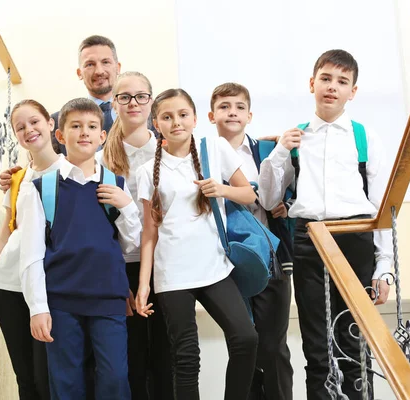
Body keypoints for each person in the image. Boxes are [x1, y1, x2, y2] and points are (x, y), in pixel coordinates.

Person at [258, 49, 393, 400]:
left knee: (354, 339)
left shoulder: (365, 137)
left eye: (342, 81)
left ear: (353, 91)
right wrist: (279, 153)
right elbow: (269, 200)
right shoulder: (297, 138)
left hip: (355, 237)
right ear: (312, 83)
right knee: (316, 344)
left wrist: (385, 266)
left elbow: (381, 207)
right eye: (326, 79)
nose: (332, 87)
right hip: (310, 239)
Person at [136, 88, 258, 400]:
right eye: (167, 117)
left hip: (215, 265)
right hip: (171, 274)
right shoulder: (146, 171)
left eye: (182, 114)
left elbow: (249, 195)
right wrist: (143, 285)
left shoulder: (215, 148)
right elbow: (149, 233)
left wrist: (221, 190)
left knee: (246, 338)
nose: (176, 121)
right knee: (186, 357)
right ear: (156, 123)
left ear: (194, 119)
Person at [18, 98, 142, 400]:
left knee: (114, 378)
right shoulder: (42, 188)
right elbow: (31, 253)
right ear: (60, 136)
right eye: (75, 126)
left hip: (108, 297)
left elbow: (130, 244)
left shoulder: (116, 185)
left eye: (91, 127)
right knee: (66, 382)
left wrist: (127, 207)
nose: (84, 132)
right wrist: (38, 308)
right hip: (61, 300)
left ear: (102, 136)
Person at [208, 82, 293, 400]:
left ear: (250, 114)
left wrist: (285, 205)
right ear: (211, 114)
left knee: (273, 347)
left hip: (270, 257)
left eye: (239, 107)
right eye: (224, 106)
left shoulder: (266, 151)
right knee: (244, 344)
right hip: (225, 262)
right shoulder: (202, 154)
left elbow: (288, 195)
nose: (232, 112)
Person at [0, 99, 63, 400]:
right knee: (25, 378)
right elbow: (5, 235)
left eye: (35, 122)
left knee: (49, 378)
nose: (29, 130)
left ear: (50, 123)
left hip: (50, 285)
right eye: (20, 127)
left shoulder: (71, 172)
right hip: (9, 286)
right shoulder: (16, 179)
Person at [97, 71, 173, 399]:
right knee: (133, 359)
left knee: (169, 357)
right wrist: (116, 278)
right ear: (113, 104)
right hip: (124, 267)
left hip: (168, 267)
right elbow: (100, 226)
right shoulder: (101, 160)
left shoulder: (171, 153)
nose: (133, 103)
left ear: (151, 103)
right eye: (124, 97)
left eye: (141, 96)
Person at [51, 35, 122, 154]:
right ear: (79, 73)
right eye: (90, 64)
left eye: (105, 62)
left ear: (118, 68)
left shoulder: (146, 115)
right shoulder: (57, 122)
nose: (99, 71)